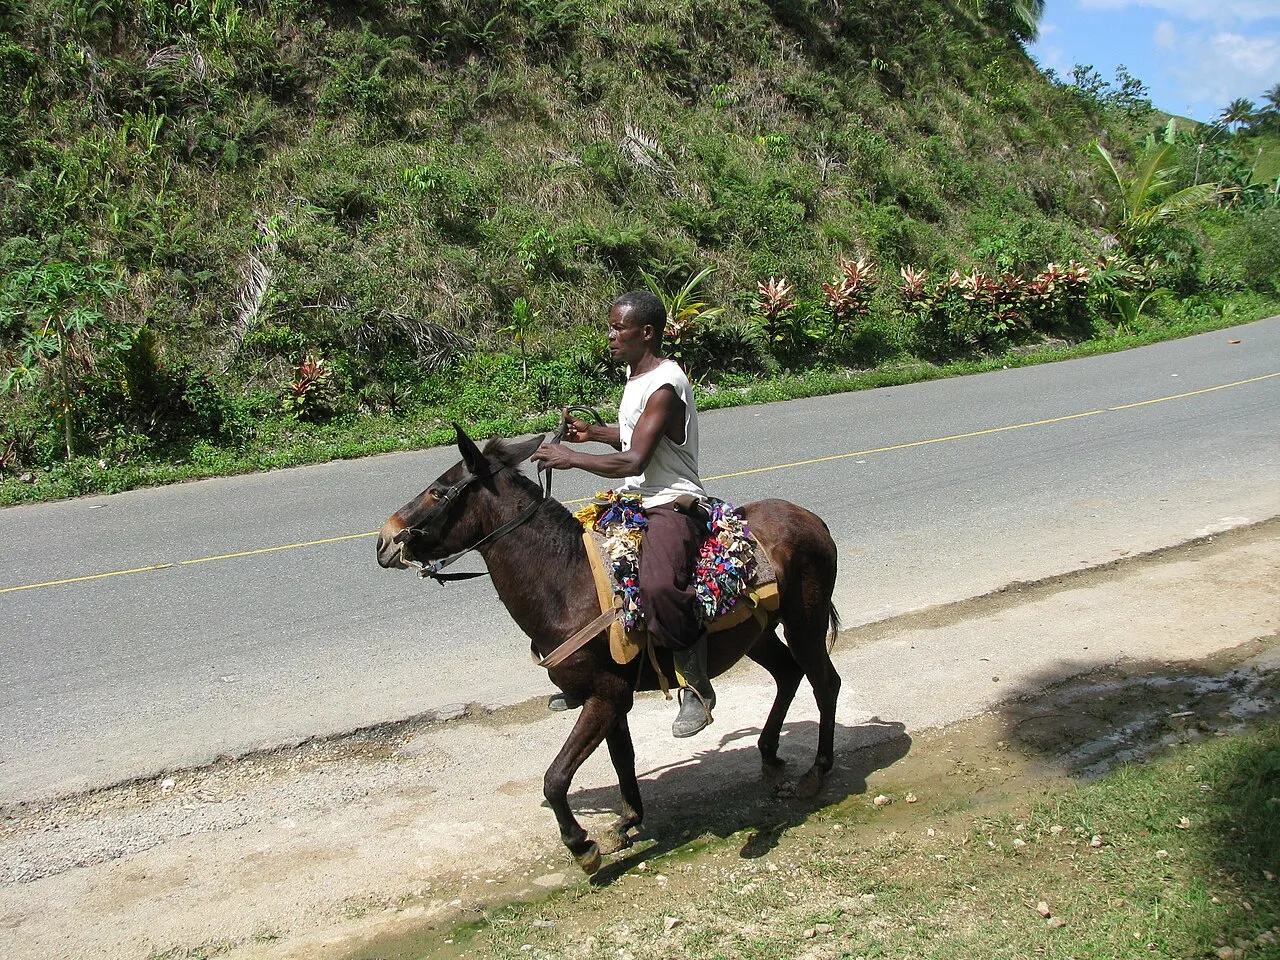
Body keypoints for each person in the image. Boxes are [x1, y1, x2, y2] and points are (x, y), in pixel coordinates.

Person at [530, 290, 715, 737]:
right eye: (610, 327)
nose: (610, 336)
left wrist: (573, 456)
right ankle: (587, 674)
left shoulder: (666, 384)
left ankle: (696, 687)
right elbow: (633, 436)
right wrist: (595, 432)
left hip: (671, 500)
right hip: (636, 499)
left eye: (618, 328)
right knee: (574, 568)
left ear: (645, 332)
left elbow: (635, 461)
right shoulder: (638, 378)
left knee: (657, 584)